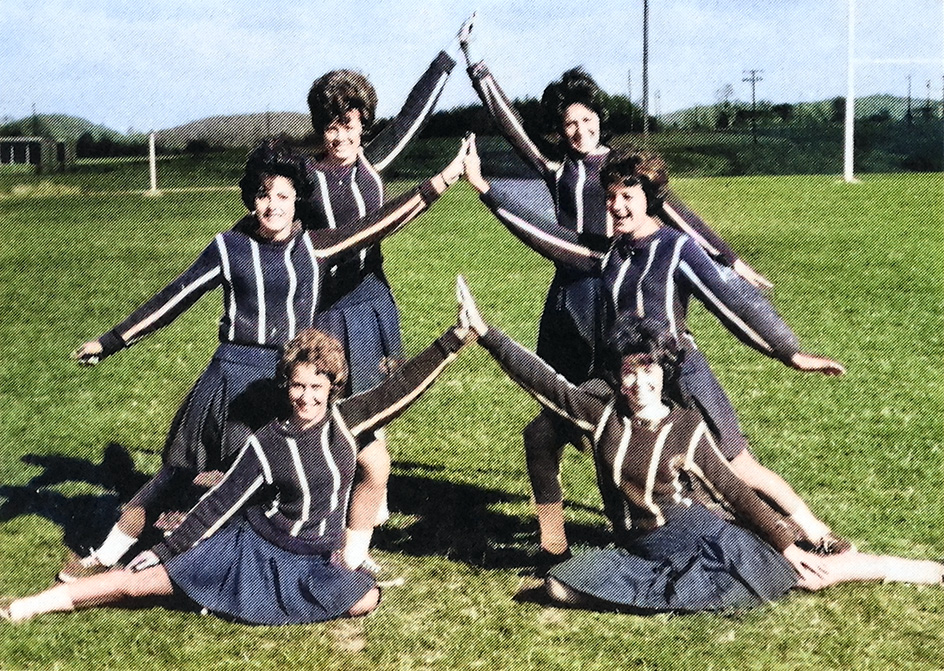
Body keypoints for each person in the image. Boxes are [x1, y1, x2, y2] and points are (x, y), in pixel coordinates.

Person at [58, 135, 469, 582]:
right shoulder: (228, 247)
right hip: (230, 380)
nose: (272, 206)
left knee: (363, 462)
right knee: (177, 475)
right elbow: (174, 298)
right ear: (251, 198)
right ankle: (103, 556)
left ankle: (348, 560)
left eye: (283, 196)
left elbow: (382, 221)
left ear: (298, 201)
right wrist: (112, 340)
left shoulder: (316, 247)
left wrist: (445, 179)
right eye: (263, 195)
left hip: (290, 384)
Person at [455, 277, 944, 613]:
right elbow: (544, 381)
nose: (637, 381)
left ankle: (914, 569)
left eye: (647, 368)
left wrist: (781, 541)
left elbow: (734, 491)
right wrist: (485, 333)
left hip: (698, 537)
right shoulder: (600, 413)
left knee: (808, 572)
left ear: (662, 372)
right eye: (628, 369)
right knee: (561, 587)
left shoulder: (687, 426)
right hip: (634, 548)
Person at [459, 40, 771, 562]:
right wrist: (478, 69)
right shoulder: (557, 171)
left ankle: (731, 515)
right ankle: (553, 535)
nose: (579, 130)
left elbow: (676, 214)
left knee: (665, 418)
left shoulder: (622, 173)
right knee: (553, 420)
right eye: (569, 124)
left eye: (586, 119)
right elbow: (512, 128)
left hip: (617, 303)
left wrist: (727, 257)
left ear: (600, 119)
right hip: (568, 309)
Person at [464, 141, 846, 564]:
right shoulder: (606, 253)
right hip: (621, 378)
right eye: (610, 196)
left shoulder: (677, 248)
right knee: (540, 435)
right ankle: (554, 544)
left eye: (628, 196)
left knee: (738, 467)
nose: (617, 206)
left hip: (679, 373)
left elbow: (732, 298)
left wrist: (789, 351)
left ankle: (815, 532)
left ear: (649, 198)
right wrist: (486, 189)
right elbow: (543, 235)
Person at [2, 305, 477, 625]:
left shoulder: (347, 421)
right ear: (285, 385)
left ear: (334, 386)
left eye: (318, 386)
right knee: (141, 584)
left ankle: (219, 594)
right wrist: (170, 551)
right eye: (297, 386)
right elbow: (219, 505)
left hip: (313, 562)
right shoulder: (268, 443)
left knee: (366, 598)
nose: (306, 397)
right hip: (257, 550)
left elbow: (401, 389)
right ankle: (42, 602)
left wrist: (456, 338)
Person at [304, 16, 474, 538]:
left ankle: (371, 493)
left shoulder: (374, 164)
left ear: (363, 126)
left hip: (372, 301)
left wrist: (450, 56)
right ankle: (327, 493)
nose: (340, 137)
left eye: (350, 126)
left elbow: (414, 115)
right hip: (324, 306)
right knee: (330, 399)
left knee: (373, 395)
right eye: (331, 126)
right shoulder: (305, 176)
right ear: (320, 127)